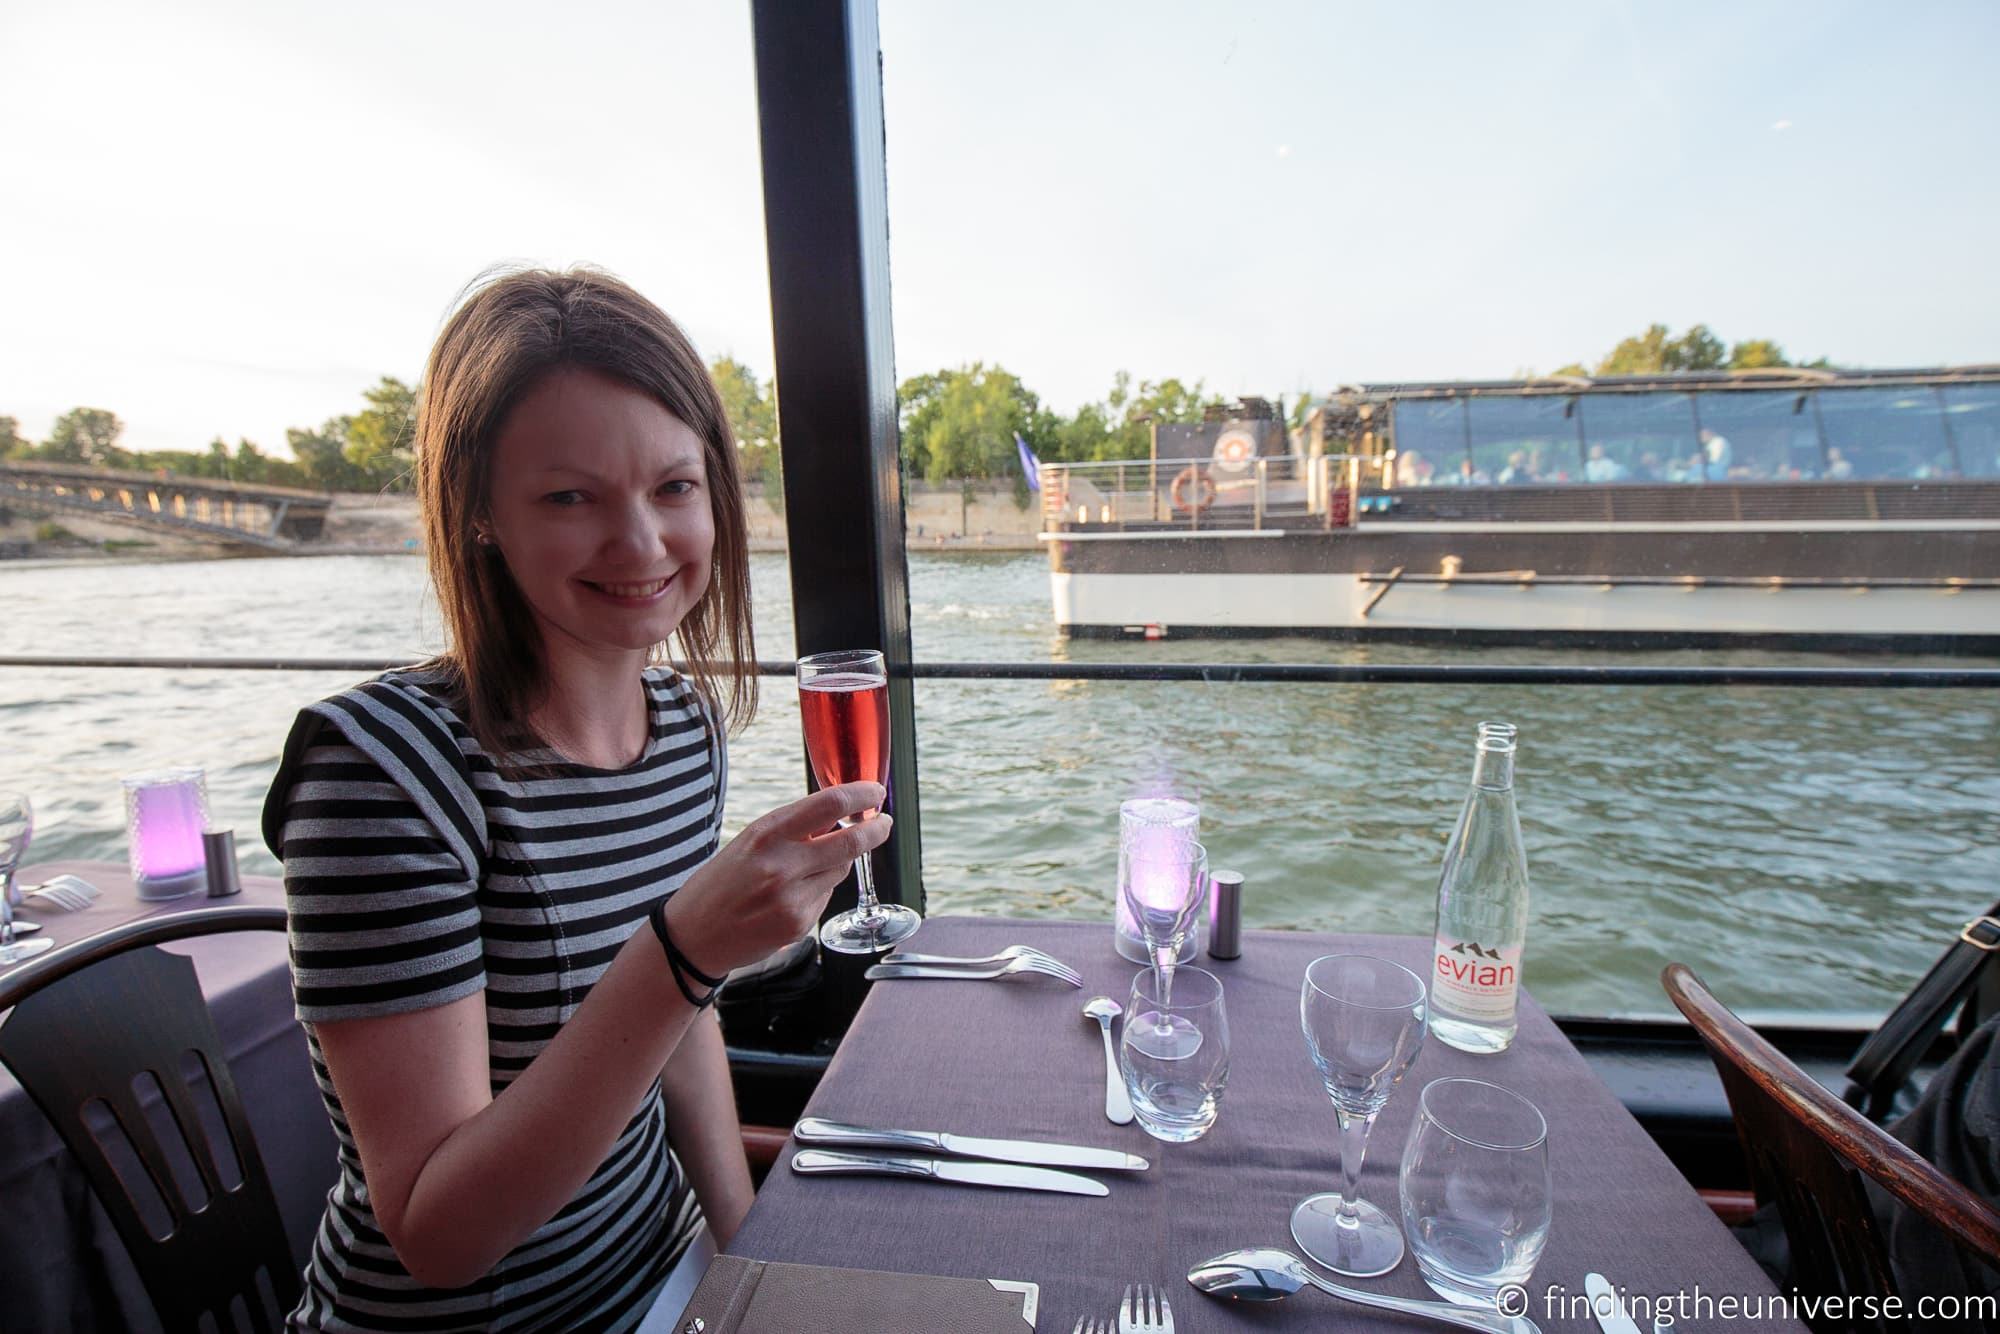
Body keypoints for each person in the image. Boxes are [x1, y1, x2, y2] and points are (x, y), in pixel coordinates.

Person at [260, 268, 890, 1333]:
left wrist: (748, 1257)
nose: (641, 544)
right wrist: (682, 949)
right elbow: (438, 1235)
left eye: (673, 488)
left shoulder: (685, 730)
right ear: (478, 517)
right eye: (569, 496)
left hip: (667, 1283)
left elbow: (676, 1032)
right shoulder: (383, 772)